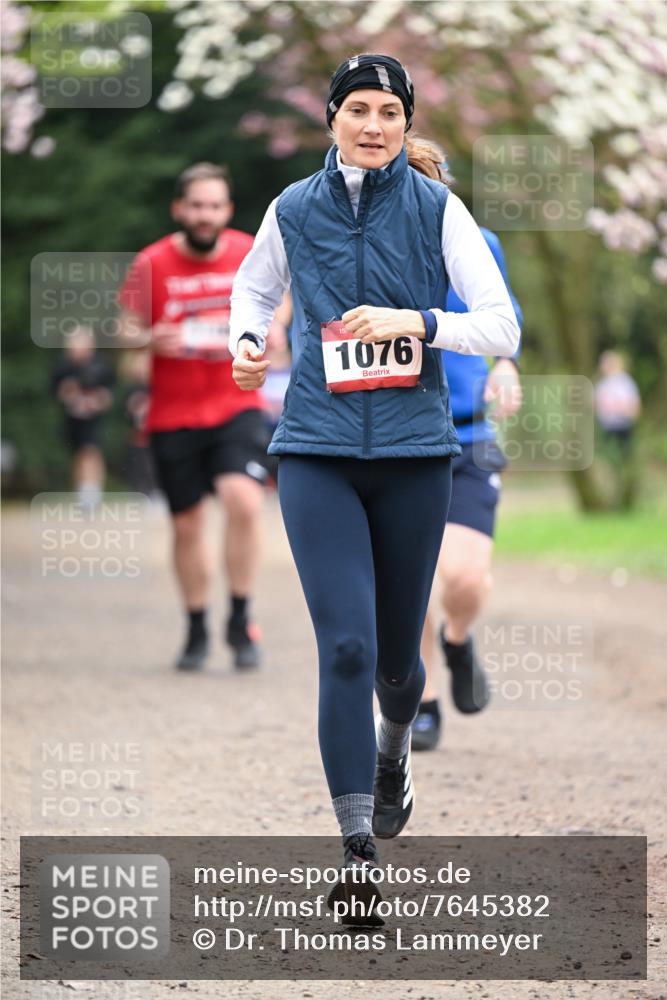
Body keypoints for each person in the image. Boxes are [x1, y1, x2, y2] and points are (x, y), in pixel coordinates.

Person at [230, 54, 520, 919]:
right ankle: (356, 856)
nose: (373, 125)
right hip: (316, 449)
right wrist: (247, 345)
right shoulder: (292, 207)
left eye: (389, 112)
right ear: (330, 118)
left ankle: (395, 746)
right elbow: (254, 289)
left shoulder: (438, 210)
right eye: (357, 108)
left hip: (414, 457)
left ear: (404, 124)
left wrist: (418, 322)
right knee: (346, 650)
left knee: (398, 662)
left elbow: (500, 323)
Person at [118, 163, 288, 672]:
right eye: (196, 205)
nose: (205, 215)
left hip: (235, 404)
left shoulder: (245, 250)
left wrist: (273, 333)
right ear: (179, 210)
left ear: (227, 211)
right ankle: (195, 624)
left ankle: (239, 615)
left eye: (214, 206)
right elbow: (123, 334)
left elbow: (279, 305)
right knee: (187, 525)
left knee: (243, 500)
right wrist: (151, 339)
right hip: (173, 413)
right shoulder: (151, 263)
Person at [401, 143, 524, 751]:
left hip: (470, 433)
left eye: (433, 185)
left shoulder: (479, 242)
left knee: (466, 577)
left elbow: (505, 317)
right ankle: (422, 701)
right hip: (399, 436)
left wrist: (505, 364)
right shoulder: (367, 256)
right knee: (413, 577)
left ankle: (458, 639)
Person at [51, 325, 114, 508]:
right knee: (78, 455)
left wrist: (96, 401)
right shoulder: (63, 366)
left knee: (91, 452)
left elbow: (111, 394)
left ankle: (93, 492)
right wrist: (67, 394)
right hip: (72, 419)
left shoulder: (101, 364)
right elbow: (55, 392)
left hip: (94, 419)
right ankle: (82, 492)